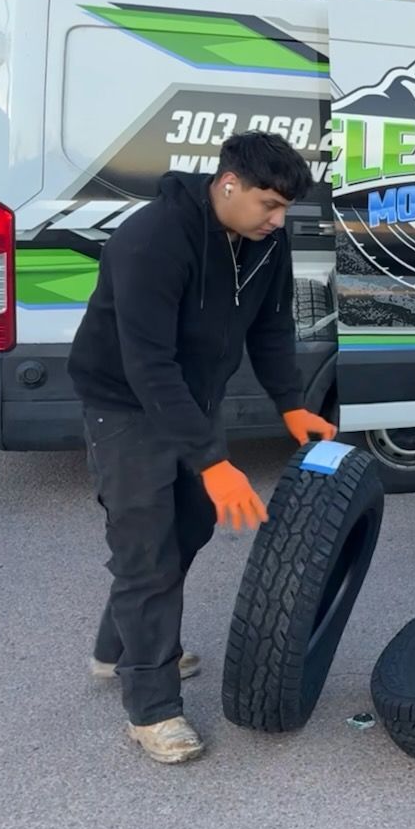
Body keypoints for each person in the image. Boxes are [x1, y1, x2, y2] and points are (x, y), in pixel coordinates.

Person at [70, 134, 337, 764]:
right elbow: (148, 365)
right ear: (228, 184)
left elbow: (273, 325)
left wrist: (290, 402)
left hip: (191, 399)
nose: (277, 221)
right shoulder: (152, 240)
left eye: (284, 211)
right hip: (126, 405)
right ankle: (153, 707)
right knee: (148, 552)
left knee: (188, 531)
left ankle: (120, 650)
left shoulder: (267, 240)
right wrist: (214, 462)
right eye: (269, 205)